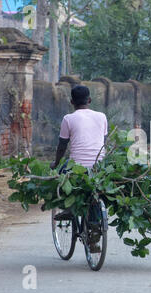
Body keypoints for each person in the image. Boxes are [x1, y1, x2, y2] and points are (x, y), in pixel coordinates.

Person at [51, 86, 108, 252]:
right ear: (89, 100)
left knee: (60, 178)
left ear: (71, 102)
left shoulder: (68, 119)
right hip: (99, 167)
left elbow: (62, 146)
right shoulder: (102, 116)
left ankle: (68, 208)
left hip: (77, 168)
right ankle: (96, 227)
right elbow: (102, 141)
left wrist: (56, 163)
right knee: (96, 191)